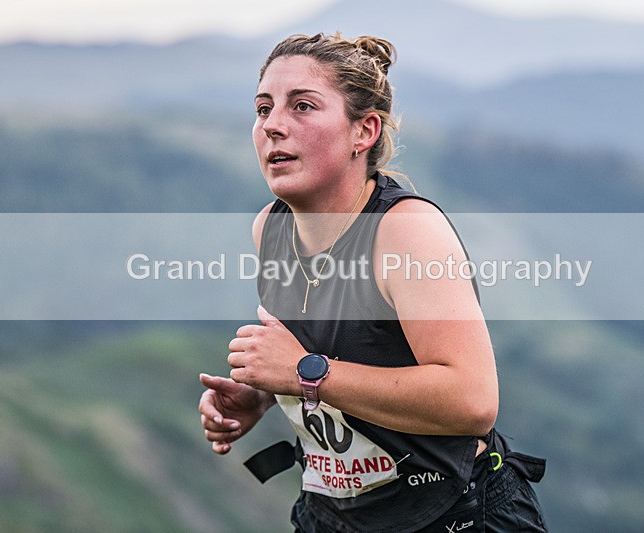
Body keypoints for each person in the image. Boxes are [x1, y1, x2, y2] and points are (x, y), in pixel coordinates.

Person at [199, 32, 547, 532]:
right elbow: (339, 354)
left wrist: (301, 373)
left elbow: (472, 402)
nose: (273, 125)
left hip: (453, 516)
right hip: (332, 516)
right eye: (262, 109)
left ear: (363, 131)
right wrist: (265, 391)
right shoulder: (269, 229)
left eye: (302, 107)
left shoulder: (403, 232)